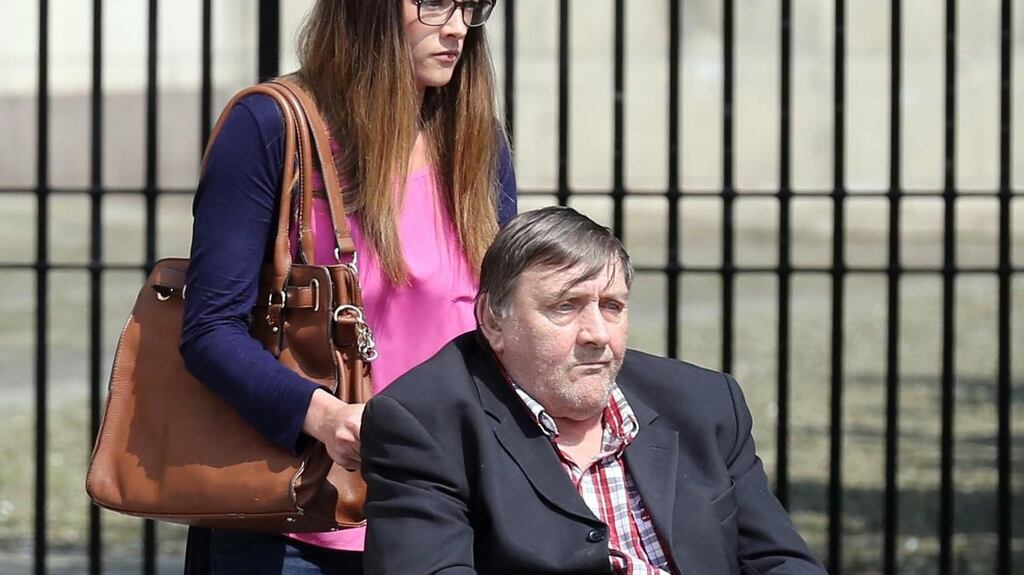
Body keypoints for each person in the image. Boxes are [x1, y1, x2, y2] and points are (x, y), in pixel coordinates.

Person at [179, 0, 515, 573]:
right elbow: (210, 329)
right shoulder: (271, 127)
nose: (458, 27)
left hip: (452, 513)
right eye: (434, 3)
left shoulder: (477, 141)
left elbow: (504, 319)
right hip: (301, 518)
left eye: (472, 6)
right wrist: (327, 417)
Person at [360, 206, 826, 574]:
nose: (597, 333)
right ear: (492, 320)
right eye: (566, 306)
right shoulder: (424, 422)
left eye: (612, 306)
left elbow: (780, 561)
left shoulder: (704, 403)